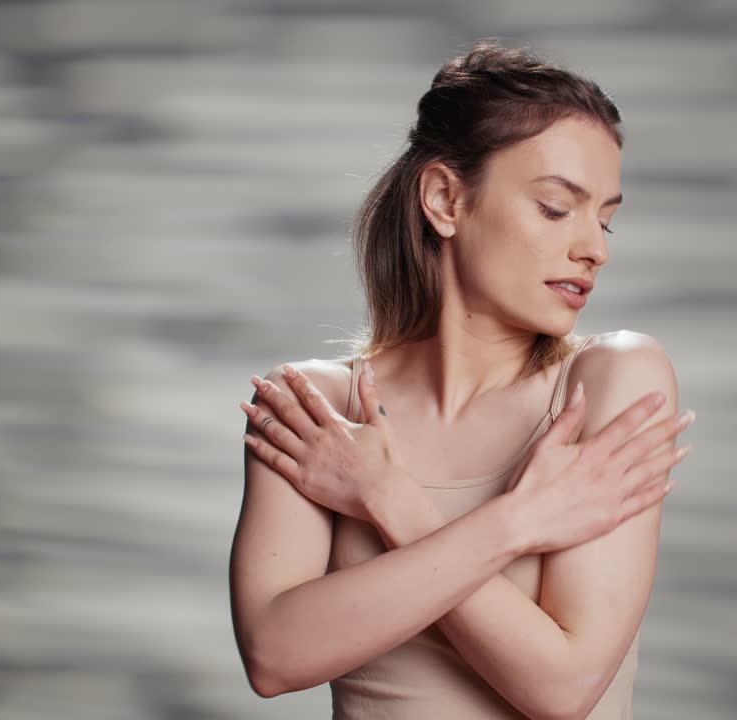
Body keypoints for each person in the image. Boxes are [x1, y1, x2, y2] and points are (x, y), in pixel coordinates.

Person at [229, 39, 695, 719]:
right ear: (446, 199)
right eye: (556, 208)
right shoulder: (315, 408)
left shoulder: (612, 381)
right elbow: (274, 657)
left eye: (606, 220)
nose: (593, 247)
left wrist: (390, 500)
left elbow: (563, 687)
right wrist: (520, 522)